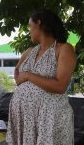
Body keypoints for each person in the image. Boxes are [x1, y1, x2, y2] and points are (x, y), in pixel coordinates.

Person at [6, 9, 77, 145]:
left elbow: (60, 86)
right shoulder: (29, 52)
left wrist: (28, 75)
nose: (29, 31)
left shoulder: (63, 49)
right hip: (24, 118)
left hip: (48, 118)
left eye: (30, 26)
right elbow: (17, 74)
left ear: (39, 23)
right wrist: (20, 79)